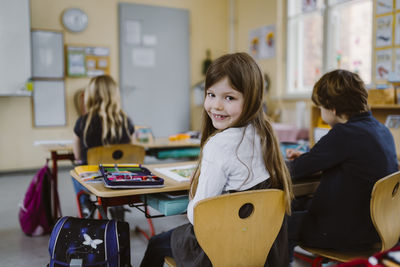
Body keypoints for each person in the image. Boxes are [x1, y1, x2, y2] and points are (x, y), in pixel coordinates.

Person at [140, 52, 293, 267]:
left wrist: (194, 190)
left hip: (216, 249)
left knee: (156, 243)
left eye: (229, 98)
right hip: (260, 246)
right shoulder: (263, 133)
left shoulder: (218, 146)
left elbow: (198, 216)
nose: (217, 105)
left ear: (251, 99)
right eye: (211, 95)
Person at [286, 69, 399, 261]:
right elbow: (349, 160)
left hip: (346, 234)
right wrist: (311, 157)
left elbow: (296, 170)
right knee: (299, 205)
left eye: (320, 107)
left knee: (279, 224)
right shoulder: (381, 129)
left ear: (332, 108)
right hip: (380, 229)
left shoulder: (342, 134)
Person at [72, 74, 135, 218]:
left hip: (94, 181)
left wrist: (79, 160)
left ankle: (85, 204)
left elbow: (77, 157)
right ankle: (118, 205)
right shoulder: (126, 121)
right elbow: (132, 151)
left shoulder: (83, 122)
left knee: (75, 171)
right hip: (121, 179)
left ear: (90, 96)